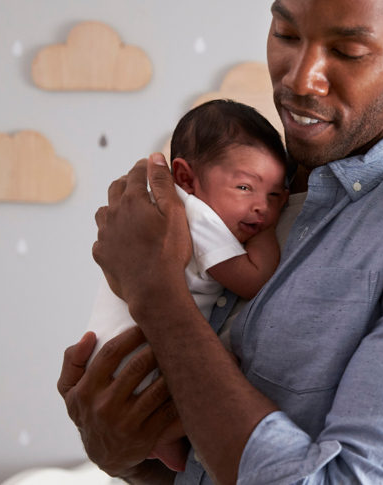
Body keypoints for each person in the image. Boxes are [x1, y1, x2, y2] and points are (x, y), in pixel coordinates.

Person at [58, 0, 383, 484]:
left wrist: (155, 293)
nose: (299, 79)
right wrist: (126, 459)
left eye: (348, 50)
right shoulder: (240, 195)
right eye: (286, 35)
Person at [84, 99, 290, 471]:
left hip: (109, 356)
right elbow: (254, 278)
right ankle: (163, 437)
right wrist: (269, 233)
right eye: (245, 187)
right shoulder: (195, 216)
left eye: (275, 196)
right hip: (135, 357)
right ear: (185, 178)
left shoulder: (165, 206)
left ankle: (162, 443)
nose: (262, 207)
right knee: (223, 371)